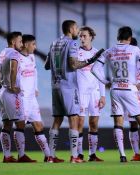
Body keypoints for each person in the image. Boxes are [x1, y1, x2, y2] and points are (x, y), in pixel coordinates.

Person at [91, 26, 140, 163]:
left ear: (118, 37)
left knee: (118, 123)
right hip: (130, 89)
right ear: (129, 38)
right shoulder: (134, 49)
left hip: (115, 89)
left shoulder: (109, 50)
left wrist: (106, 81)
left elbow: (94, 69)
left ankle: (122, 156)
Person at [44, 20, 103, 163]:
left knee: (57, 120)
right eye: (76, 28)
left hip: (55, 85)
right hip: (69, 86)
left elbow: (47, 65)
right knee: (74, 118)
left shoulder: (54, 43)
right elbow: (74, 64)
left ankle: (50, 156)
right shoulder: (73, 44)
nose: (78, 31)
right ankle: (74, 156)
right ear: (71, 29)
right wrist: (91, 60)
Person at [0, 31, 36, 163]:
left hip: (2, 93)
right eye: (19, 41)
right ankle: (22, 155)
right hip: (11, 93)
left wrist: (2, 86)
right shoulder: (14, 53)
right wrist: (12, 86)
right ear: (13, 42)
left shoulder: (3, 53)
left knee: (6, 124)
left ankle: (7, 156)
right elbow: (13, 69)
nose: (21, 44)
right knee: (20, 123)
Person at [19, 34, 53, 162]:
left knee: (38, 125)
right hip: (22, 98)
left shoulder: (32, 57)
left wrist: (36, 88)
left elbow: (35, 73)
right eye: (33, 44)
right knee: (20, 125)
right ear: (26, 44)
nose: (35, 47)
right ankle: (21, 155)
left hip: (32, 98)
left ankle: (48, 155)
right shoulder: (16, 59)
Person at [77, 26, 105, 162]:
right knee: (80, 122)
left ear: (91, 37)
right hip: (81, 92)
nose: (82, 38)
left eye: (84, 36)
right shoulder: (76, 53)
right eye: (80, 36)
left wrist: (103, 95)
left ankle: (92, 154)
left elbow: (101, 75)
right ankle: (79, 154)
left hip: (95, 92)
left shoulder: (97, 53)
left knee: (94, 122)